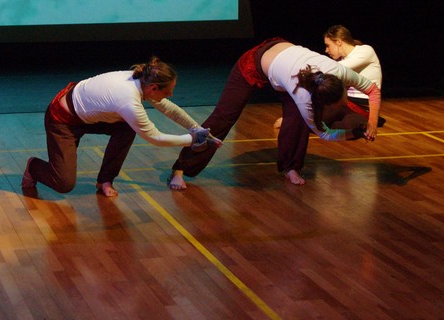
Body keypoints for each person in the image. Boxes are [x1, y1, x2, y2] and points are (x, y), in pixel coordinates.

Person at [168, 38, 381, 190]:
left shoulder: (340, 73)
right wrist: (352, 133)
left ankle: (291, 168)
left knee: (296, 120)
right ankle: (180, 169)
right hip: (254, 63)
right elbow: (324, 133)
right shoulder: (303, 96)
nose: (344, 103)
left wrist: (371, 123)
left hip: (285, 63)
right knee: (223, 117)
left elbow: (373, 90)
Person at [22, 57, 222, 197]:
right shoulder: (128, 100)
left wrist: (197, 129)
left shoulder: (142, 79)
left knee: (126, 128)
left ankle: (105, 180)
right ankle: (33, 167)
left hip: (89, 115)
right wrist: (192, 140)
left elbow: (169, 108)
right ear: (154, 88)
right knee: (63, 183)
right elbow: (155, 137)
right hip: (63, 121)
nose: (170, 95)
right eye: (168, 91)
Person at [323, 24, 383, 119]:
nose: (326, 50)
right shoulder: (340, 59)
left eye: (328, 46)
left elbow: (334, 69)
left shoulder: (365, 51)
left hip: (363, 104)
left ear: (338, 42)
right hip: (348, 101)